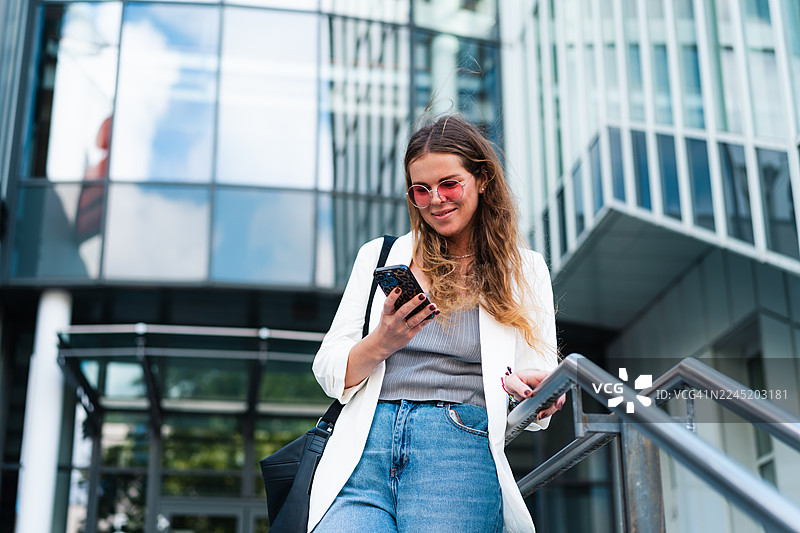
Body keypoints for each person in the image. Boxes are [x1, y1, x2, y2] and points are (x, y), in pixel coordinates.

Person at [309, 115, 563, 533]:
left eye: (449, 184)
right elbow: (329, 370)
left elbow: (536, 397)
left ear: (482, 179)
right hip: (362, 448)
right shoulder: (381, 255)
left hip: (457, 446)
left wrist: (535, 393)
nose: (436, 200)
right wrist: (384, 340)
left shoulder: (526, 270)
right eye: (421, 190)